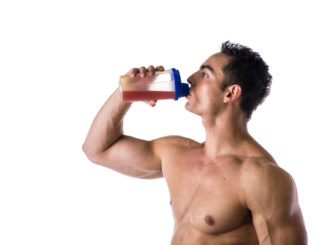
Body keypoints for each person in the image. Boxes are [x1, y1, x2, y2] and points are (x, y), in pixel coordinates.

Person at [82, 41, 307, 244]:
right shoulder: (175, 154)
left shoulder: (263, 177)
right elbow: (96, 149)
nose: (190, 79)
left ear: (231, 93)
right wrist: (127, 92)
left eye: (205, 75)